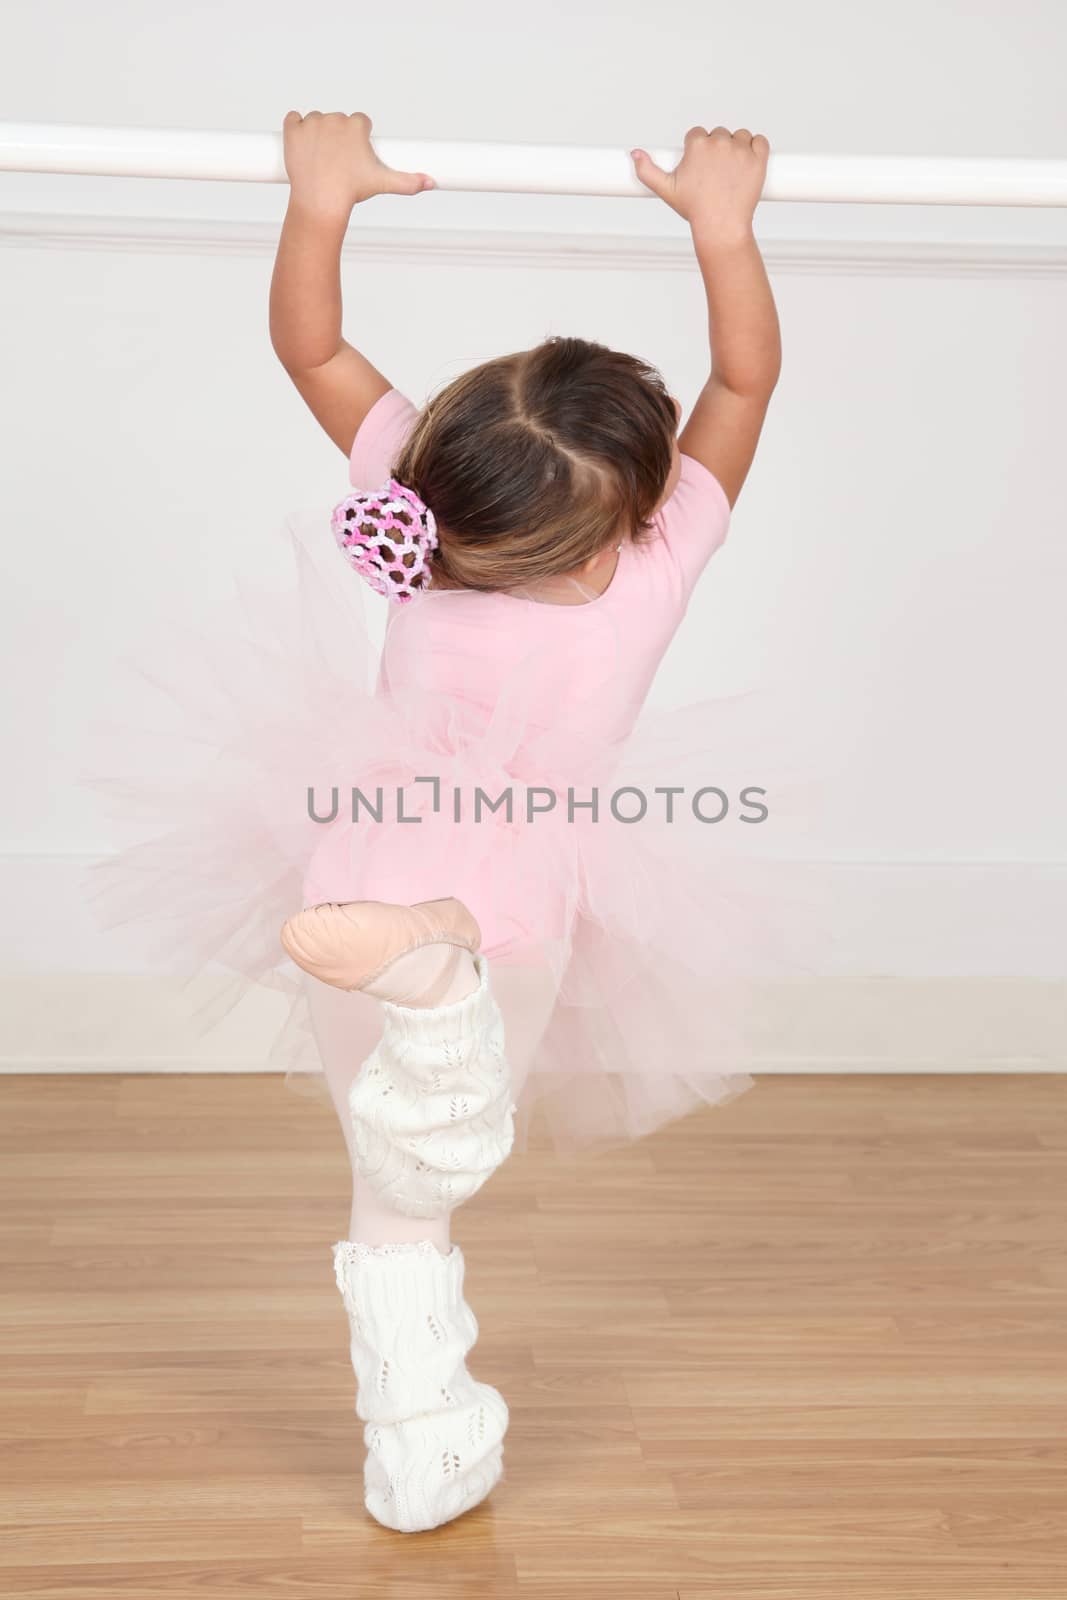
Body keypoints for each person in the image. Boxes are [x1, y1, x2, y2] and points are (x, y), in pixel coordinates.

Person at [89, 110, 812, 1534]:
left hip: (360, 844)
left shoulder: (409, 499)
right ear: (636, 521)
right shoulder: (653, 566)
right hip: (511, 893)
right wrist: (723, 230)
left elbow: (310, 346)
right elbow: (745, 375)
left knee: (394, 1193)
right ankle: (435, 964)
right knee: (445, 1153)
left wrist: (320, 199)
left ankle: (423, 1449)